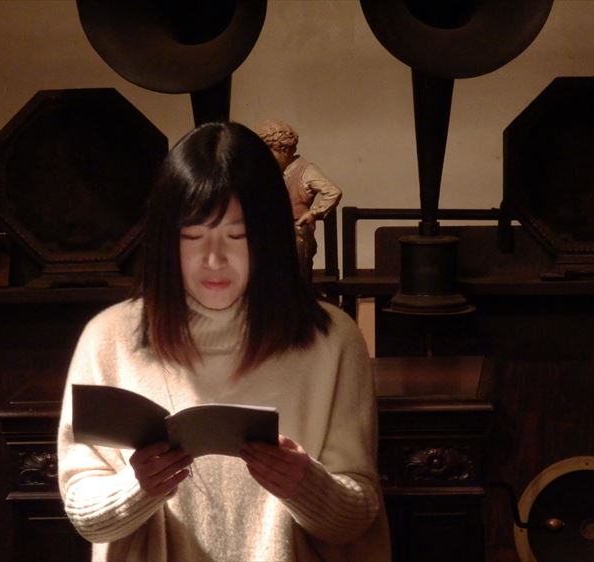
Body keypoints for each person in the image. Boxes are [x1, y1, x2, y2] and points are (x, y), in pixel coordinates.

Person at [57, 121, 390, 562]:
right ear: (165, 240)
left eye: (237, 236)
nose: (213, 259)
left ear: (271, 237)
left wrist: (305, 484)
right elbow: (84, 514)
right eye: (193, 236)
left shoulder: (330, 339)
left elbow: (357, 519)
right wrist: (138, 487)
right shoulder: (110, 338)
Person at [255, 118, 342, 282]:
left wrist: (314, 213)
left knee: (297, 270)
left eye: (269, 153)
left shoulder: (305, 170)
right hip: (274, 229)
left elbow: (333, 192)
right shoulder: (271, 172)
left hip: (297, 231)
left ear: (283, 150)